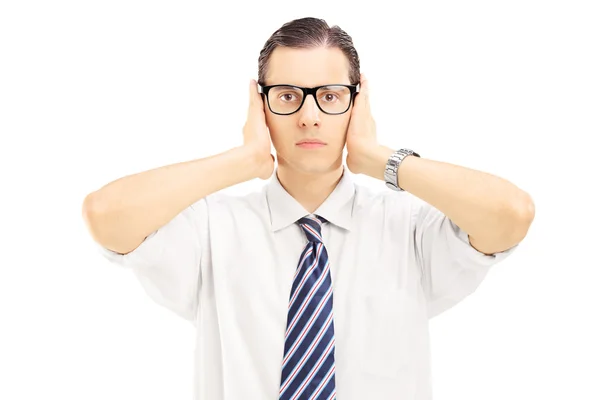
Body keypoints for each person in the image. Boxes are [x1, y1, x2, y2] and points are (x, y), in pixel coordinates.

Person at [82, 16, 534, 400]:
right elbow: (106, 217)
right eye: (287, 96)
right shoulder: (213, 231)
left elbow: (511, 214)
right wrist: (243, 160)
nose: (309, 116)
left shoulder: (409, 229)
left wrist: (380, 159)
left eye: (331, 96)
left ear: (358, 102)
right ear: (261, 105)